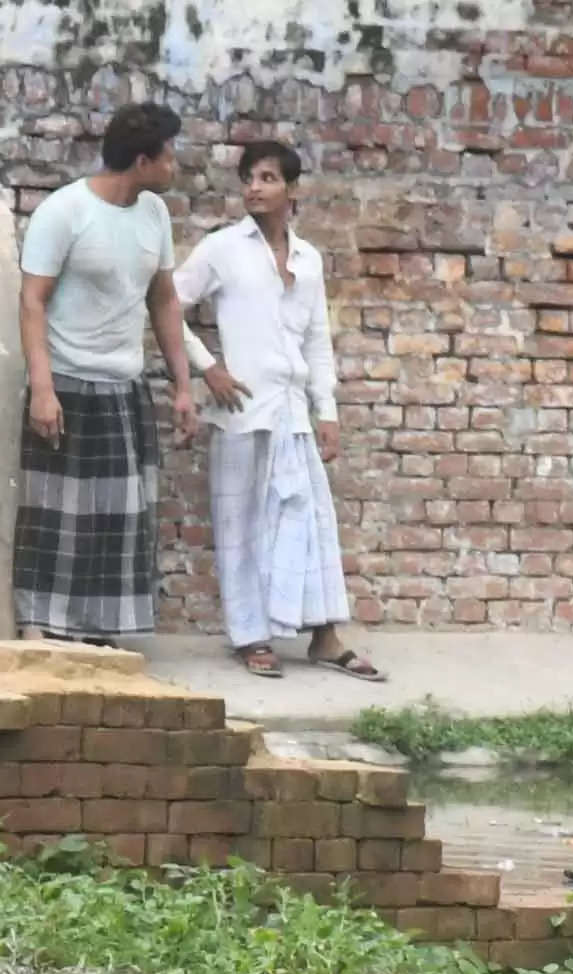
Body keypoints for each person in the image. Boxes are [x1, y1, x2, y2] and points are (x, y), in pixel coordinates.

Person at [16, 105, 224, 644]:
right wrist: (42, 388)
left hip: (124, 387)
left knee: (121, 516)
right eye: (168, 156)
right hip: (66, 382)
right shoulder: (65, 212)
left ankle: (100, 629)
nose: (175, 165)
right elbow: (32, 301)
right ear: (141, 160)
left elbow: (164, 302)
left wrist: (183, 386)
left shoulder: (153, 213)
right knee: (57, 513)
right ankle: (42, 623)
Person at [175, 141, 378, 683]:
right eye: (249, 178)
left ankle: (325, 636)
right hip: (241, 409)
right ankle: (251, 637)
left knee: (310, 523)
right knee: (239, 525)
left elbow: (316, 338)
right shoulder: (223, 249)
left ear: (291, 189)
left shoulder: (308, 259)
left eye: (267, 178)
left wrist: (326, 410)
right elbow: (167, 306)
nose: (254, 187)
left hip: (292, 411)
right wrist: (206, 366)